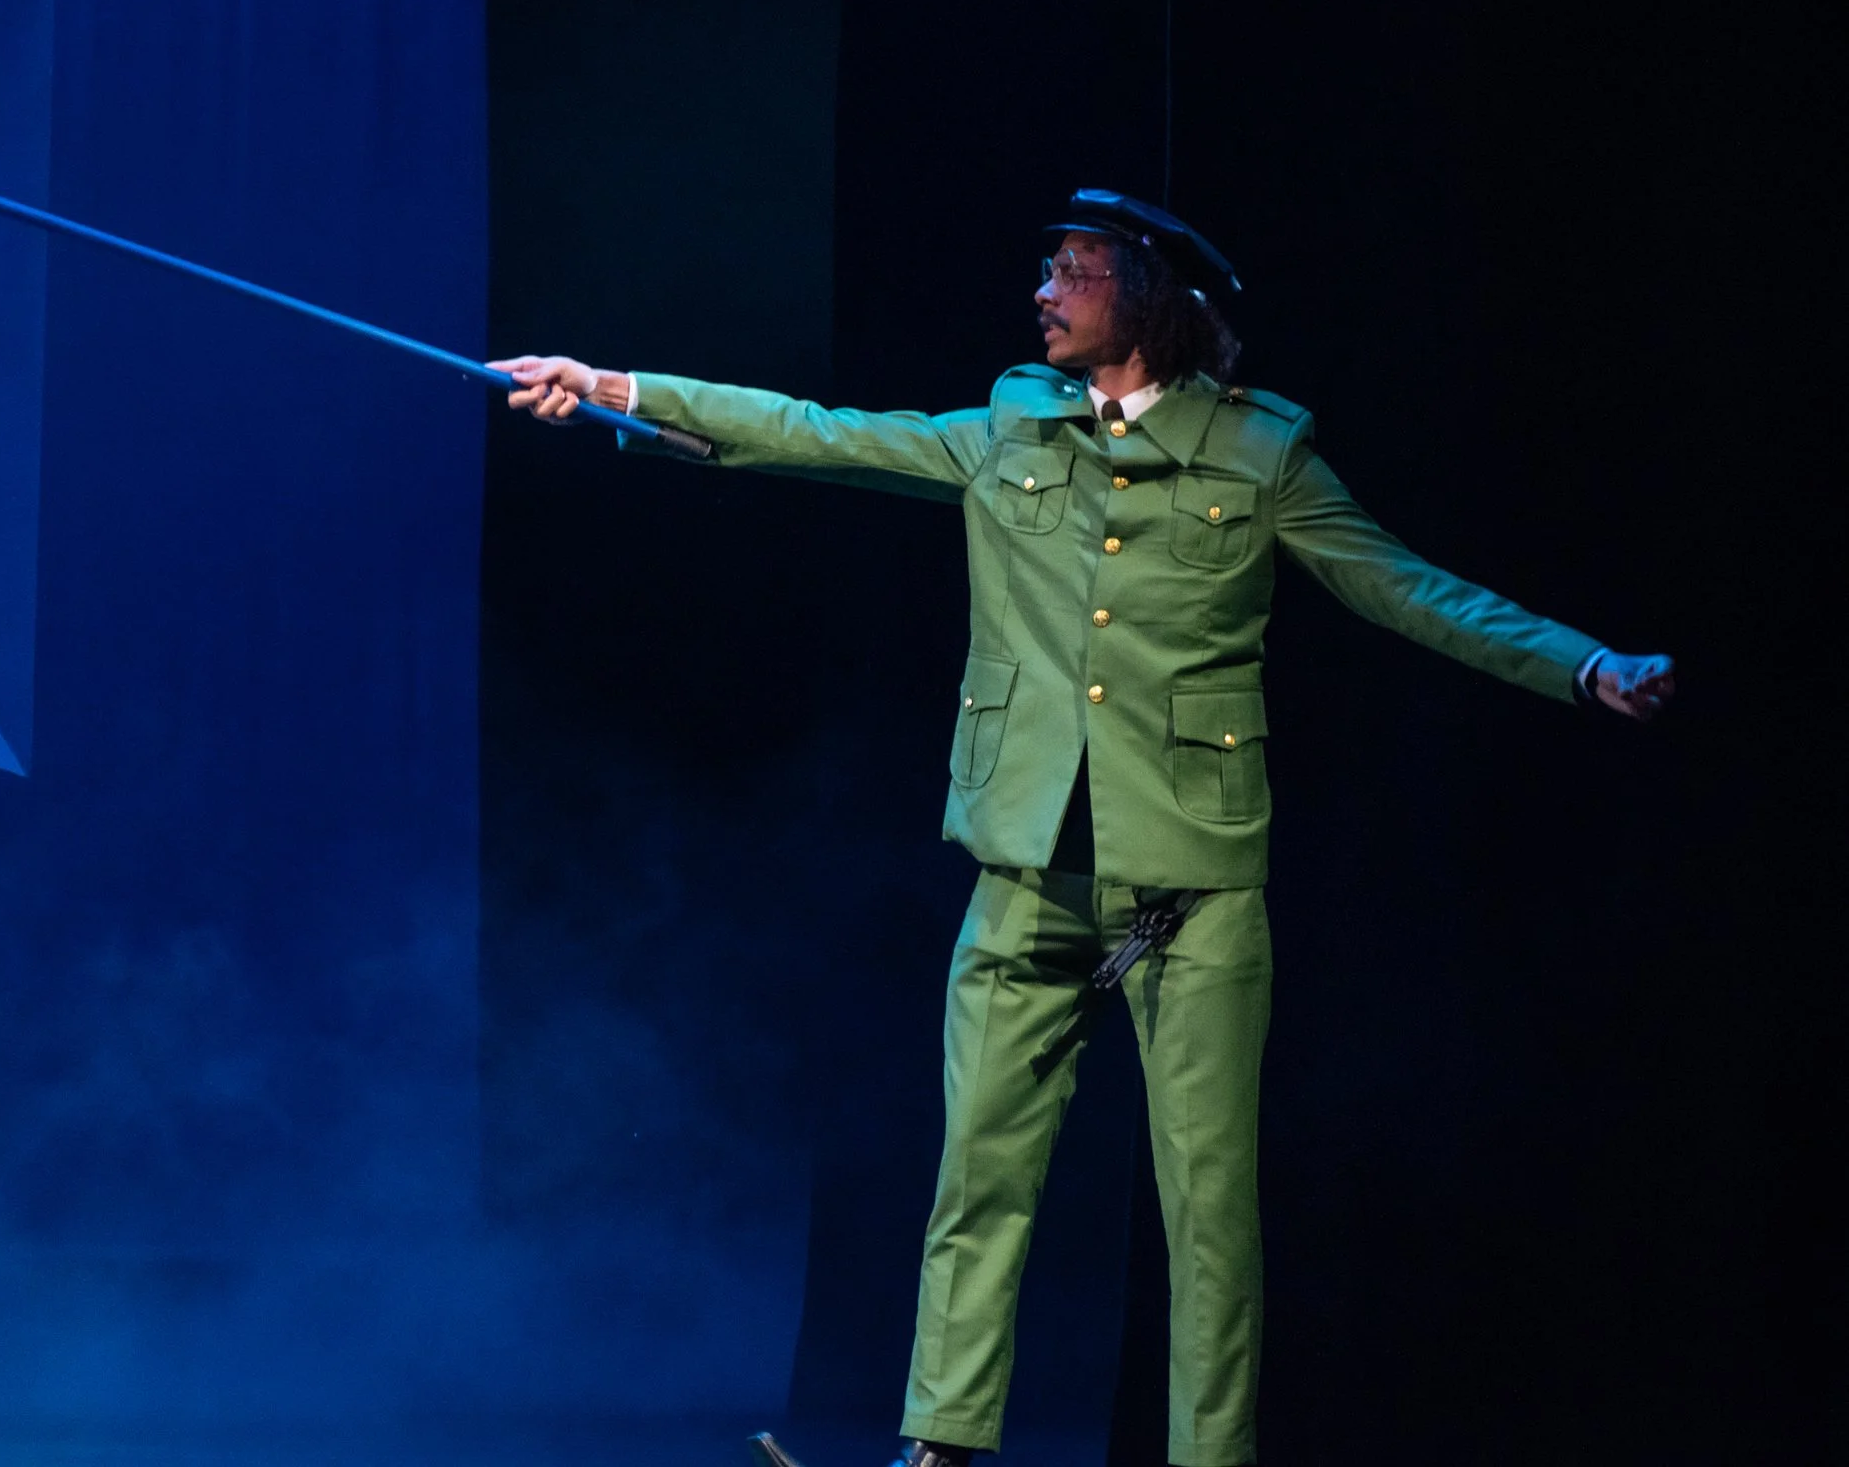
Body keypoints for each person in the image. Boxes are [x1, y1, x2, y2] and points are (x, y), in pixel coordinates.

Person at [491, 189, 1673, 1467]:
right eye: (1048, 268)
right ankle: (940, 1448)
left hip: (1190, 888)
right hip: (1026, 870)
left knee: (1206, 1212)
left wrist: (1581, 664)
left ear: (1147, 295)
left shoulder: (1257, 454)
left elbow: (1407, 588)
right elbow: (819, 432)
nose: (1044, 292)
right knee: (977, 1180)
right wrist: (608, 387)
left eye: (1075, 271)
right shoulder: (1009, 427)